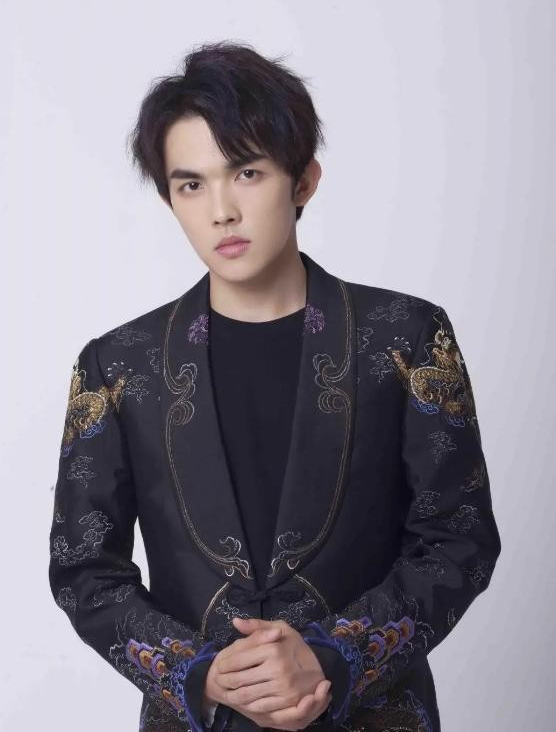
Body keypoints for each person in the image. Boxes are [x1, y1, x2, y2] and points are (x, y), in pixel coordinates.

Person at [49, 40, 501, 732]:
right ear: (169, 198)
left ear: (303, 180)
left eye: (248, 172)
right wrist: (197, 673)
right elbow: (83, 568)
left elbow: (458, 540)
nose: (221, 211)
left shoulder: (406, 338)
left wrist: (334, 657)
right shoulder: (118, 365)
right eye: (191, 185)